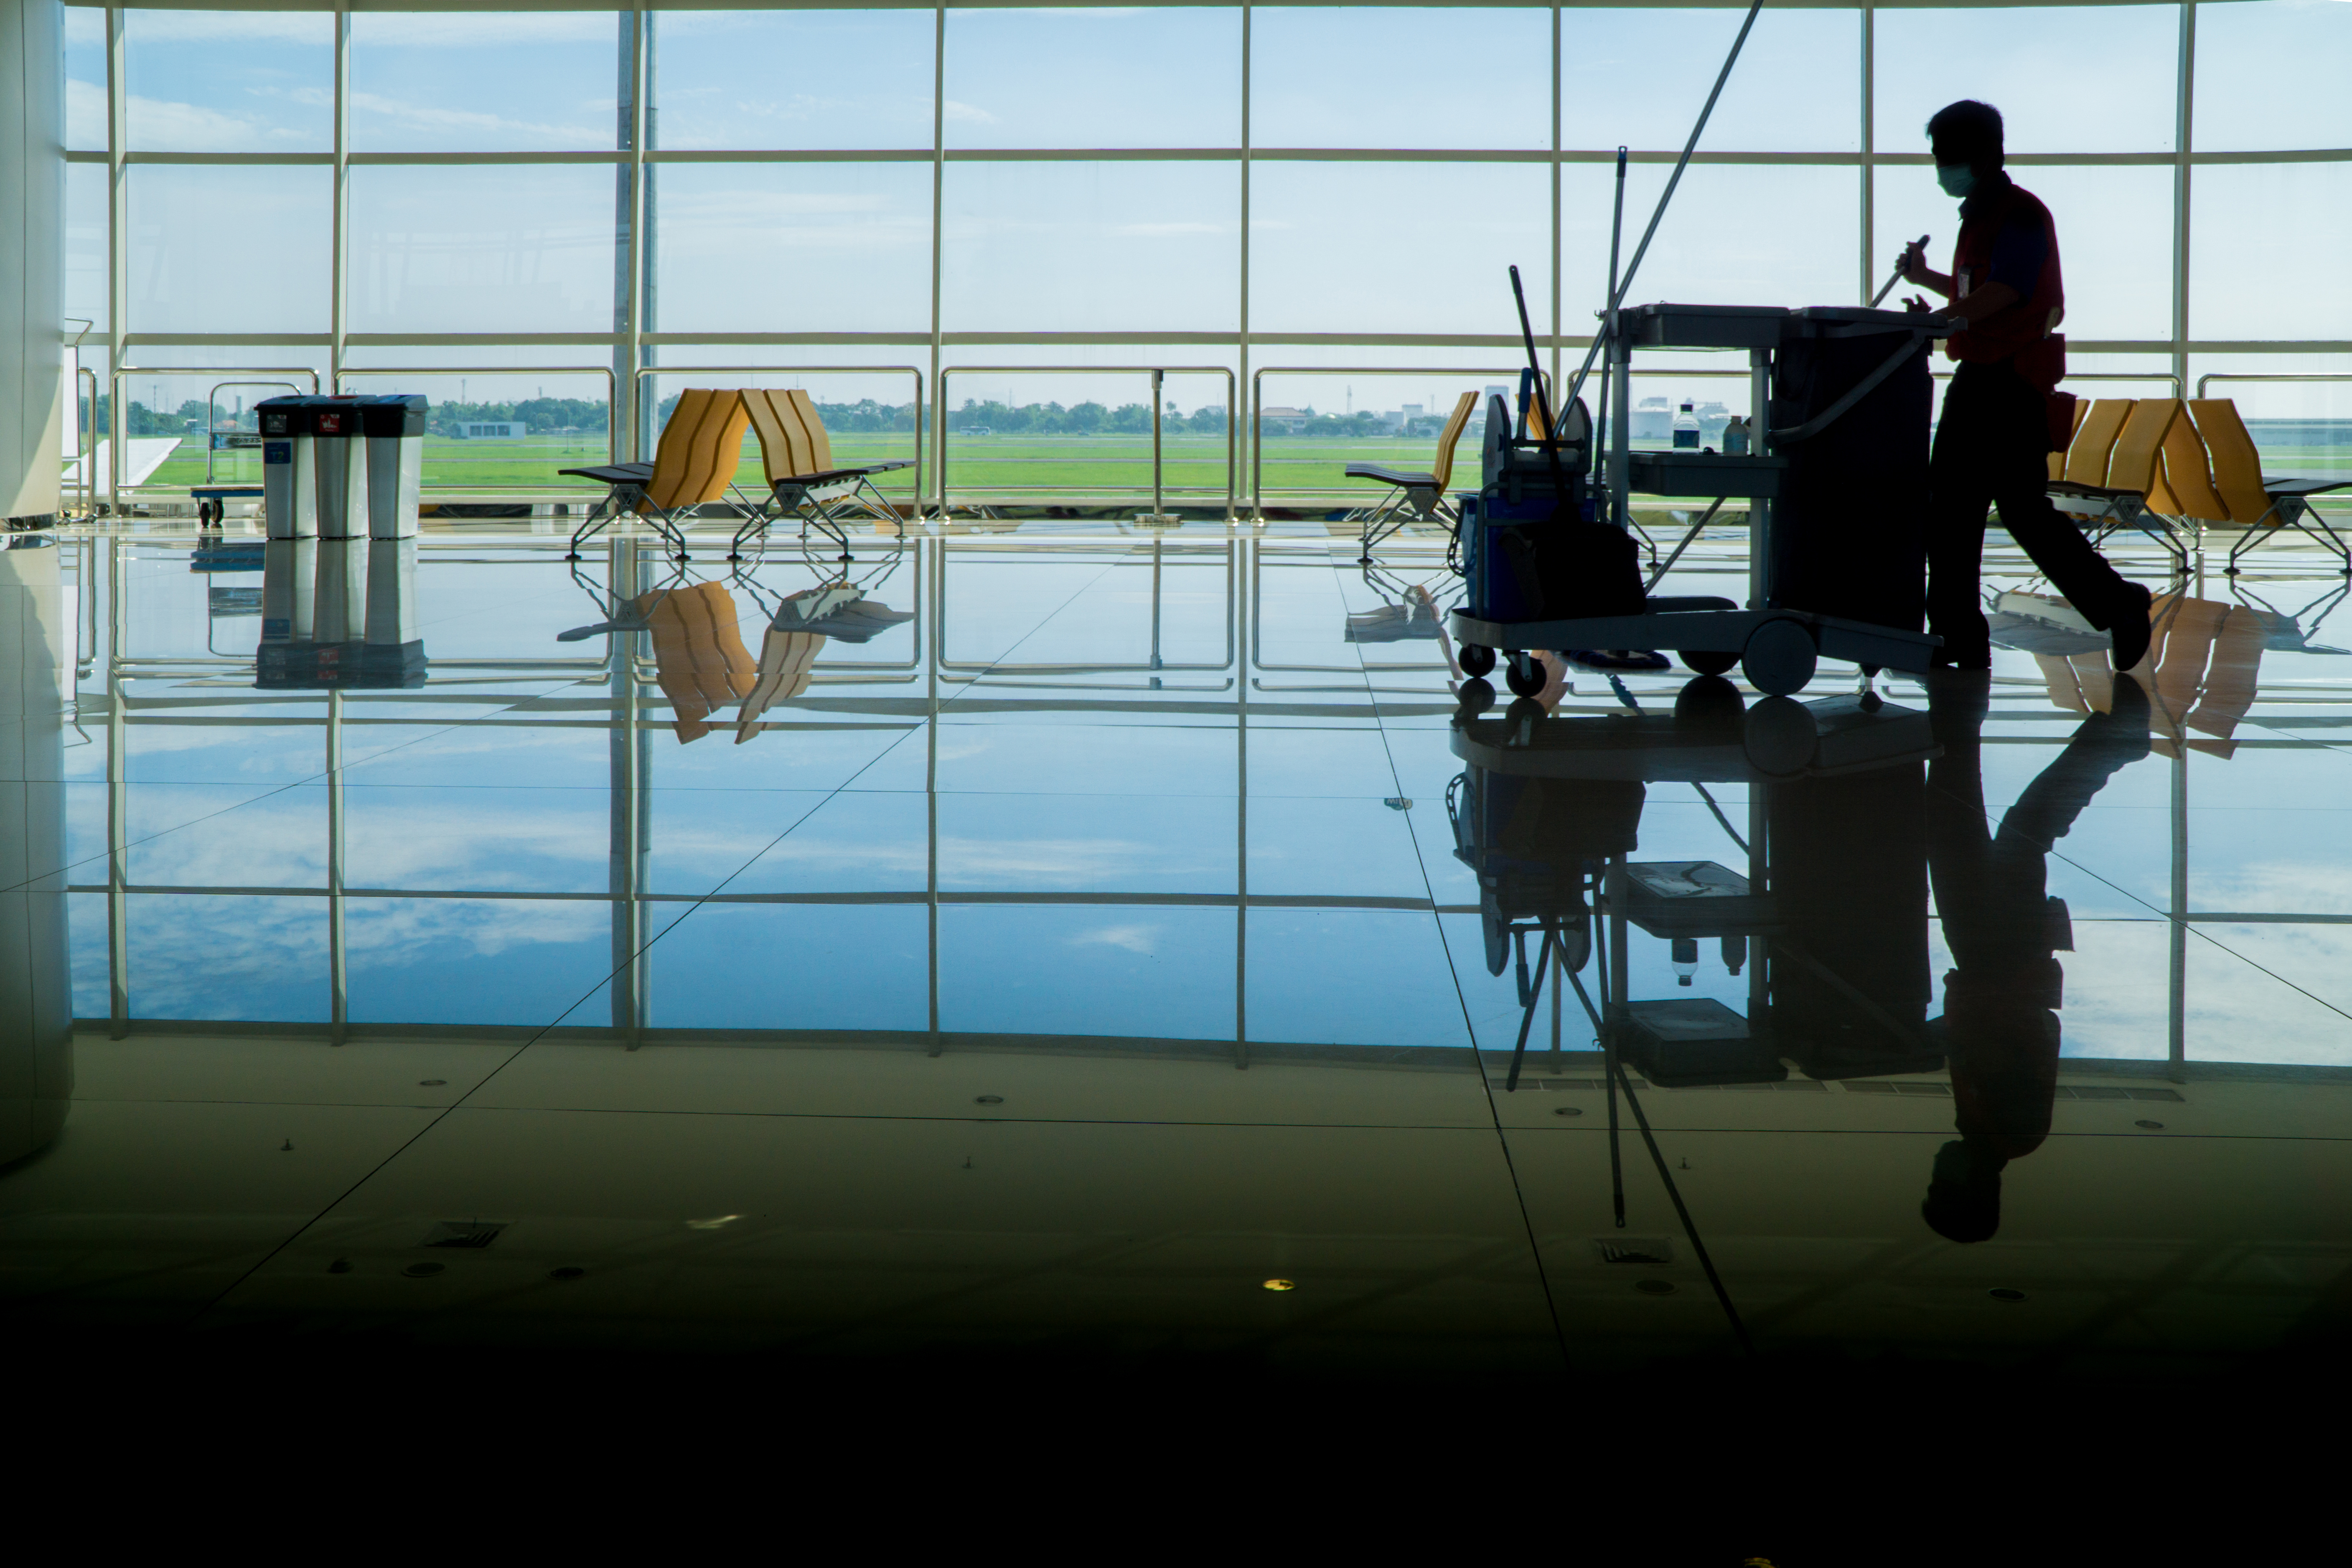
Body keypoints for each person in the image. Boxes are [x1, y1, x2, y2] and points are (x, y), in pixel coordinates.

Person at [1898, 99, 2154, 675]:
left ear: (1987, 154)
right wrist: (1929, 283)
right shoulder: (1979, 216)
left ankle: (2116, 604)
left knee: (2000, 510)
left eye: (1948, 156)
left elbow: (2005, 293)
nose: (1941, 167)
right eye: (1937, 156)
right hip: (1982, 376)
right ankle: (1961, 636)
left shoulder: (2018, 214)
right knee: (1968, 512)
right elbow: (1980, 291)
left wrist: (1945, 320)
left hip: (2008, 382)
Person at [1918, 668, 2151, 1242]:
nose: (1932, 1174)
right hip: (1996, 954)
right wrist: (1925, 1037)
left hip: (1994, 958)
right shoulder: (2010, 1133)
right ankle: (2107, 739)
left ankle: (2111, 740)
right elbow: (1996, 1048)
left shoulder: (1988, 1133)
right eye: (1937, 1187)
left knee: (2004, 829)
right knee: (1972, 827)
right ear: (1972, 1189)